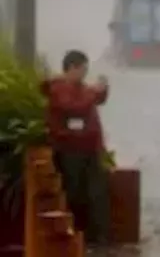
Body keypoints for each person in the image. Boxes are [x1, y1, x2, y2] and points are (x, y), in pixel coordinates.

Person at [41, 50, 111, 246]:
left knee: (97, 192)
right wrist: (95, 91)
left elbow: (96, 100)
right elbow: (75, 107)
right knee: (75, 193)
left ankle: (96, 237)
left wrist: (102, 89)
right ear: (71, 68)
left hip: (89, 148)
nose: (84, 74)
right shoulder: (59, 88)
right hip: (70, 149)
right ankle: (79, 238)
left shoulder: (81, 88)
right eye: (82, 69)